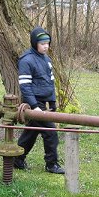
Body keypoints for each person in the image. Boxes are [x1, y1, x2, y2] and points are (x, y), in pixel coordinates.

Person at [14, 26, 65, 174]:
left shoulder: (46, 59)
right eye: (43, 44)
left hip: (44, 102)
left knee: (31, 132)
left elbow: (50, 82)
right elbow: (25, 86)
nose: (46, 46)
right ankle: (51, 164)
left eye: (47, 43)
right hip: (33, 102)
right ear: (35, 43)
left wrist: (53, 101)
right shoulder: (26, 60)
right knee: (50, 132)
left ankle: (17, 159)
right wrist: (35, 107)